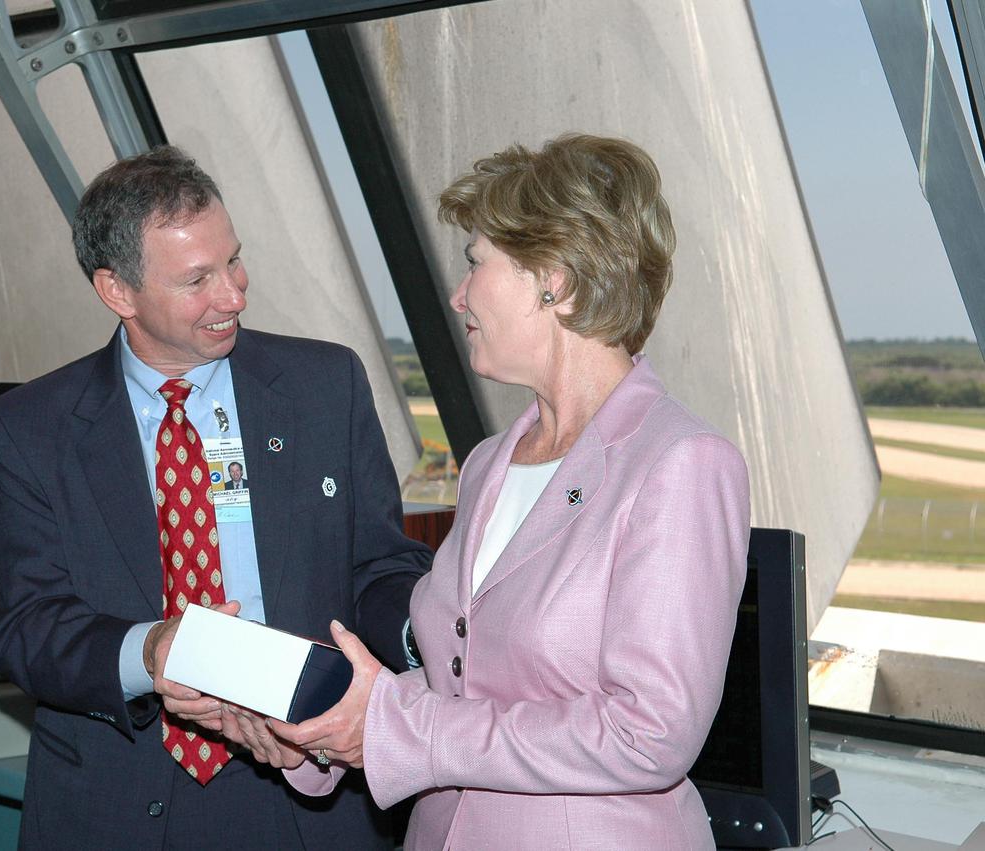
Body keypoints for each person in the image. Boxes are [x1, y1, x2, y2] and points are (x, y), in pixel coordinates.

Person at [225, 134, 751, 849]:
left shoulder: (681, 463)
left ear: (553, 280)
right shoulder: (488, 465)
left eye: (476, 264)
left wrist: (391, 726)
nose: (458, 293)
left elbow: (648, 733)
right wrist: (323, 729)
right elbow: (462, 691)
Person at [0, 145, 430, 849]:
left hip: (307, 788)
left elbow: (378, 566)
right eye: (197, 279)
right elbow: (27, 627)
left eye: (234, 260)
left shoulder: (326, 387)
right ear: (118, 292)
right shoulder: (32, 428)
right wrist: (152, 649)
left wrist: (428, 637)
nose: (234, 294)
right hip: (118, 798)